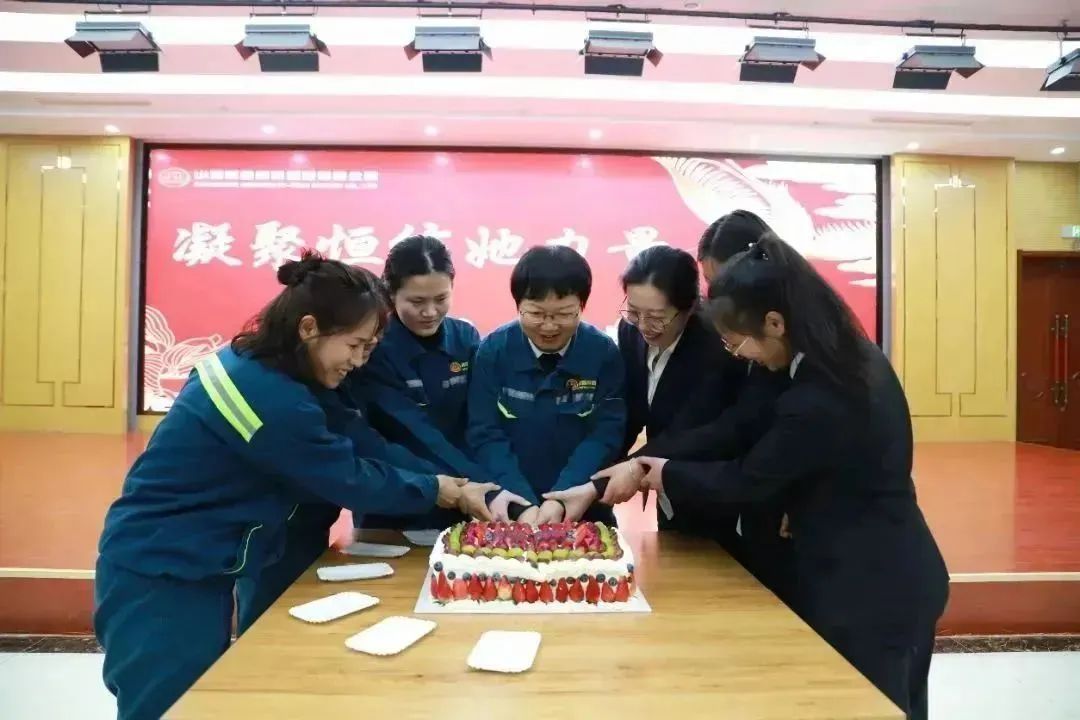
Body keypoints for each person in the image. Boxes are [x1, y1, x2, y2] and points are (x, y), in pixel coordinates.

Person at [94, 252, 496, 720]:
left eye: (369, 348)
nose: (359, 361)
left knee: (213, 700)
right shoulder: (264, 395)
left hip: (204, 564)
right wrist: (439, 490)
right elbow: (346, 476)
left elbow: (360, 438)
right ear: (309, 328)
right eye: (355, 345)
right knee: (169, 707)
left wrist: (445, 482)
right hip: (161, 569)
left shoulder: (282, 374)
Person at [598, 234, 949, 720]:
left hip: (874, 584)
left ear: (775, 322)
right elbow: (737, 426)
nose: (738, 355)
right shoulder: (816, 358)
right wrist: (645, 464)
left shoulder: (824, 393)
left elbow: (748, 480)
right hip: (853, 569)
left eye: (736, 342)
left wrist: (663, 474)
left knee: (876, 707)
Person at [467, 245, 626, 525]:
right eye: (536, 314)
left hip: (583, 510)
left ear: (582, 306)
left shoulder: (602, 353)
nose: (549, 326)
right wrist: (523, 504)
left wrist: (561, 498)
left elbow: (605, 434)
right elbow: (485, 434)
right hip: (511, 509)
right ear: (518, 306)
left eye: (564, 314)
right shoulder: (493, 351)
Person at [611, 245, 746, 543]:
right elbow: (631, 410)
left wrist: (634, 467)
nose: (643, 326)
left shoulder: (717, 345)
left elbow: (696, 429)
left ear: (689, 307)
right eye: (634, 312)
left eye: (656, 316)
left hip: (712, 489)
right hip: (666, 492)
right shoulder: (629, 331)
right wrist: (603, 471)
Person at [351, 235, 487, 530]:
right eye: (416, 301)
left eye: (441, 299)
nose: (430, 312)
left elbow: (482, 420)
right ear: (390, 295)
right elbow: (413, 429)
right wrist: (470, 482)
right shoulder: (373, 350)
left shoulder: (466, 338)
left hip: (467, 499)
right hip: (398, 499)